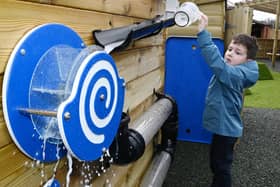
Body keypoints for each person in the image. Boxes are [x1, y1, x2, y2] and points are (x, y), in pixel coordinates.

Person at [196, 13, 259, 187]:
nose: (230, 54)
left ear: (248, 60)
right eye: (230, 49)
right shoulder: (234, 70)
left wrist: (203, 34)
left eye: (238, 52)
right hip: (222, 129)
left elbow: (217, 64)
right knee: (216, 164)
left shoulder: (235, 74)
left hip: (227, 131)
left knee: (221, 167)